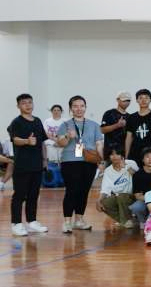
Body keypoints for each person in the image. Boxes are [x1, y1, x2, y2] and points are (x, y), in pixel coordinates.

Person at [54, 95, 103, 233]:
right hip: (70, 161)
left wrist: (101, 160)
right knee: (72, 190)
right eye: (75, 106)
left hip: (89, 161)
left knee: (84, 191)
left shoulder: (94, 125)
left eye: (82, 106)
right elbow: (60, 143)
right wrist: (67, 136)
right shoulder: (65, 125)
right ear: (71, 109)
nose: (79, 109)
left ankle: (79, 220)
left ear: (85, 107)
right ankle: (67, 222)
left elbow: (99, 144)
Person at [7, 94, 48, 237]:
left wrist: (45, 160)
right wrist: (27, 141)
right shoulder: (16, 122)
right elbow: (15, 139)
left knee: (34, 194)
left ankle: (32, 221)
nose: (28, 105)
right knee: (19, 195)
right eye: (24, 103)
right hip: (22, 165)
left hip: (37, 165)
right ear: (18, 106)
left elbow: (42, 142)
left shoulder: (37, 121)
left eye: (30, 102)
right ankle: (16, 223)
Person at [97, 148, 136, 227]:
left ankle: (126, 220)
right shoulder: (108, 170)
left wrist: (126, 167)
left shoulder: (131, 163)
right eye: (112, 154)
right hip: (117, 196)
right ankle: (124, 220)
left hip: (132, 195)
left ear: (122, 155)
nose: (115, 156)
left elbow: (138, 178)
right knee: (104, 203)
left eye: (117, 154)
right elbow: (105, 189)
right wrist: (99, 200)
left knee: (121, 197)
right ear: (109, 157)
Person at [124, 89, 151, 164]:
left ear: (150, 100)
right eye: (141, 98)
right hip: (135, 153)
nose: (143, 100)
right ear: (137, 100)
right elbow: (129, 137)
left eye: (146, 98)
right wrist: (126, 156)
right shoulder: (131, 117)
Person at [100, 91, 132, 160]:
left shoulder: (130, 117)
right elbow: (102, 130)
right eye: (124, 100)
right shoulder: (109, 113)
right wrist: (117, 125)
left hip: (123, 154)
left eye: (128, 100)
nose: (126, 102)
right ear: (118, 100)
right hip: (110, 153)